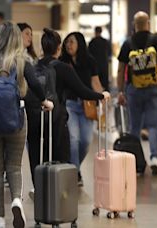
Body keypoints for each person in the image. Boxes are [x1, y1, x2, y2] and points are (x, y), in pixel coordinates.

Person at [0, 21, 54, 228]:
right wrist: (45, 101)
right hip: (16, 119)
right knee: (14, 167)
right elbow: (35, 86)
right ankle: (16, 199)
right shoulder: (22, 60)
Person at [25, 28, 110, 199]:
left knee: (36, 155)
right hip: (56, 121)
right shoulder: (62, 68)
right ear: (58, 48)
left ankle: (39, 190)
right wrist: (101, 95)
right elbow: (82, 90)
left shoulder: (32, 66)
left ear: (42, 47)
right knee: (60, 156)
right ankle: (59, 194)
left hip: (35, 119)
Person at [117, 11, 157, 175]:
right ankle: (155, 158)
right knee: (154, 125)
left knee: (134, 126)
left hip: (134, 90)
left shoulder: (128, 43)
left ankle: (135, 161)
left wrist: (120, 91)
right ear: (148, 23)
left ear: (134, 24)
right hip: (154, 89)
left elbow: (121, 69)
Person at [60, 32, 105, 186]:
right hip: (69, 105)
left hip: (87, 106)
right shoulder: (62, 62)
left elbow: (95, 83)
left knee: (85, 141)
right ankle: (75, 172)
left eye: (71, 42)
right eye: (66, 43)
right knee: (73, 139)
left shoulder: (90, 61)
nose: (68, 45)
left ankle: (74, 166)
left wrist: (102, 99)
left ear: (80, 43)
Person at [88, 26, 111, 91]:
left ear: (95, 32)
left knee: (95, 85)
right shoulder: (105, 42)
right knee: (104, 84)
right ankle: (105, 98)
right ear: (101, 32)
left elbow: (89, 54)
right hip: (104, 66)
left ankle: (97, 98)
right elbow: (109, 53)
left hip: (95, 66)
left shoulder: (92, 42)